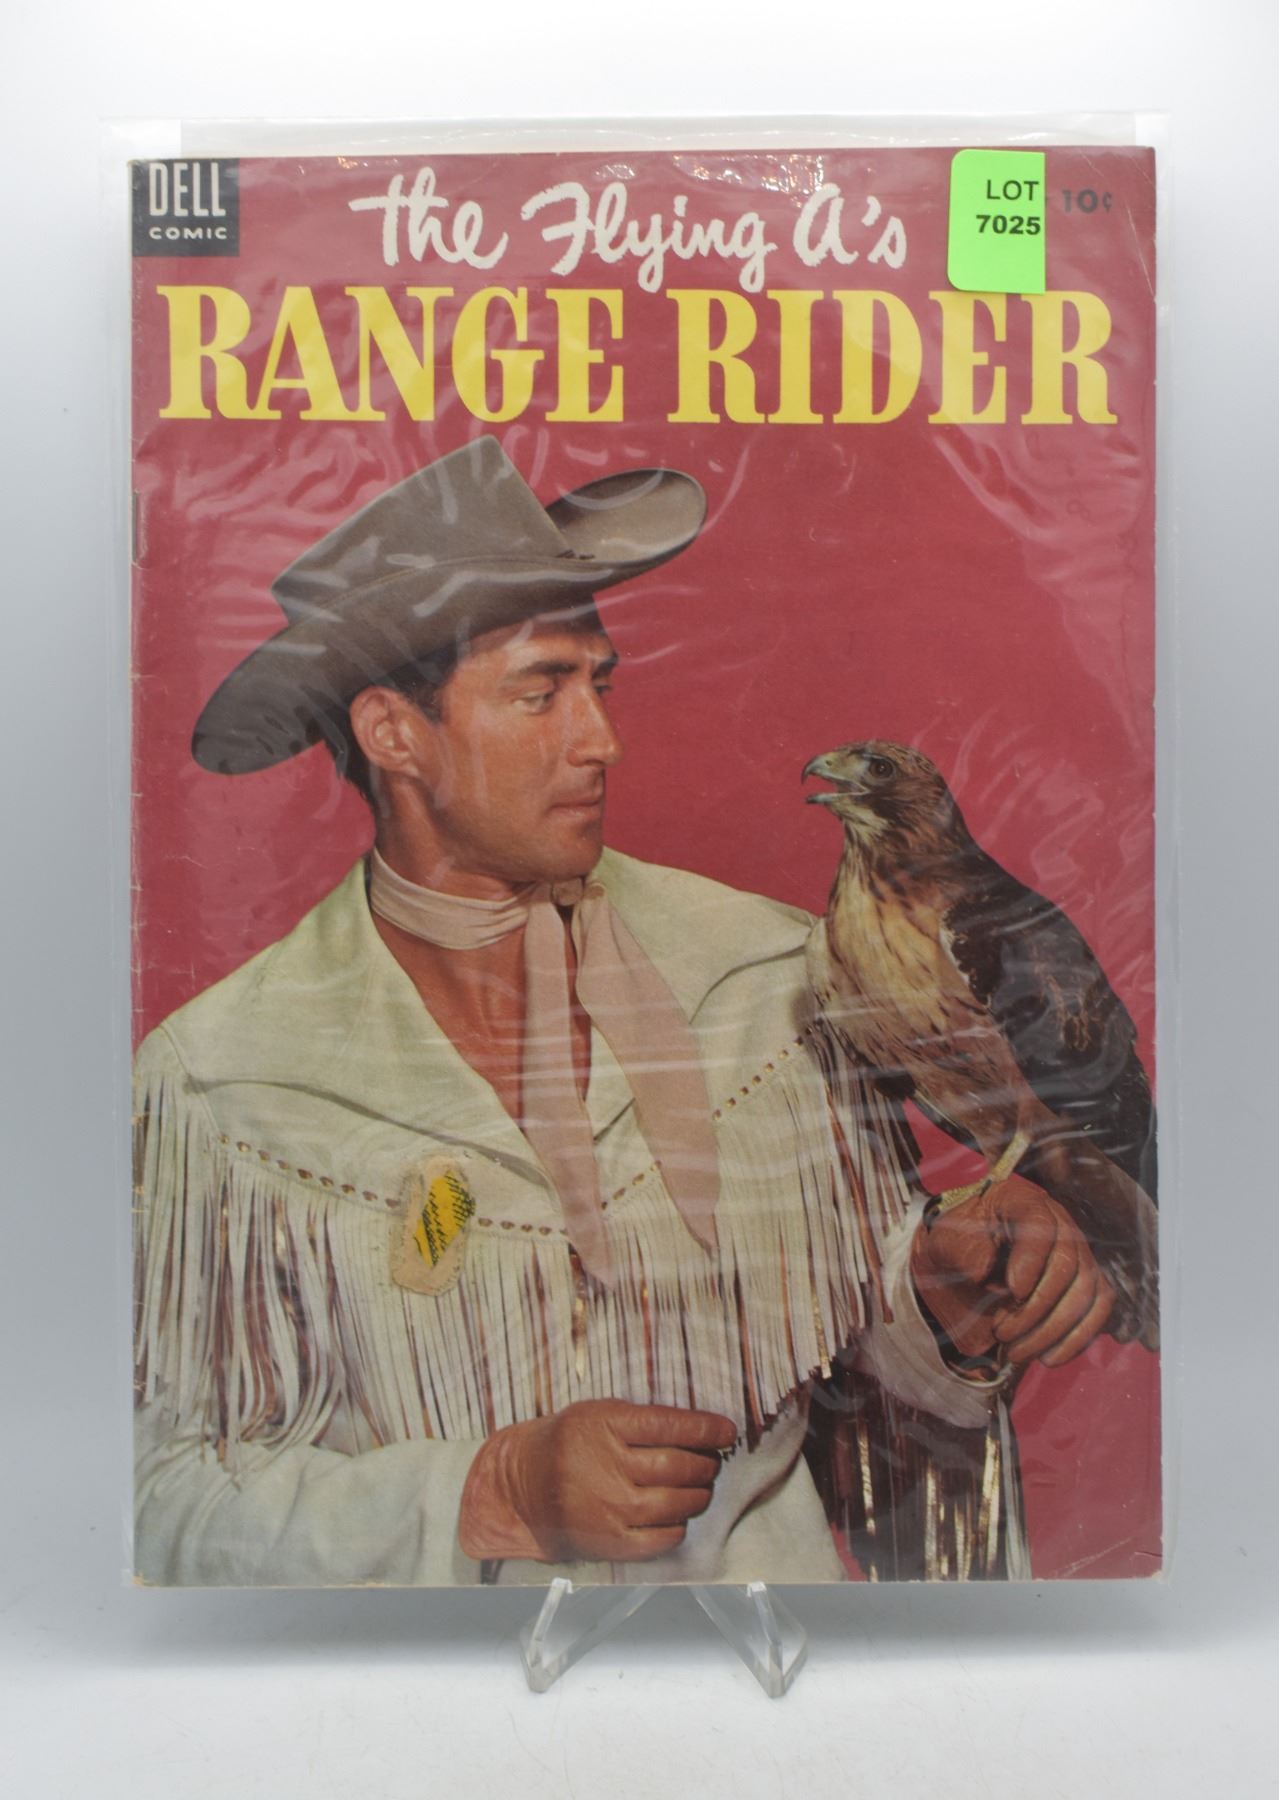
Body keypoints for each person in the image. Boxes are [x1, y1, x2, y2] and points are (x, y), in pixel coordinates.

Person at [132, 438, 1117, 1587]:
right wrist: (488, 1493)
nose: (603, 740)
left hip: (766, 1667)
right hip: (433, 1690)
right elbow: (155, 1500)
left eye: (598, 684)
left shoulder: (772, 974)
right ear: (394, 733)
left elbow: (857, 1374)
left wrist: (937, 1297)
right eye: (539, 692)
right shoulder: (223, 1079)